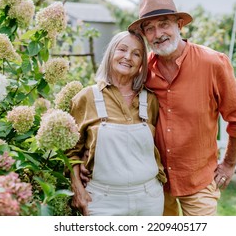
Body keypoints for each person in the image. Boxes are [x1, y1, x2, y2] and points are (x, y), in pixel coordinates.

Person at [125, 0, 236, 216]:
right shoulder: (142, 70)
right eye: (150, 28)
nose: (158, 34)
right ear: (144, 35)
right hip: (154, 181)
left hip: (198, 180)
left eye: (164, 24)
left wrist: (229, 164)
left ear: (179, 25)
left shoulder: (213, 63)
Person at [66, 30, 166, 216]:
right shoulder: (87, 98)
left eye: (137, 54)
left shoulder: (150, 100)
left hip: (149, 198)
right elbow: (71, 152)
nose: (128, 57)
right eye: (122, 49)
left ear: (142, 64)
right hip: (102, 200)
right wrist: (78, 190)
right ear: (111, 53)